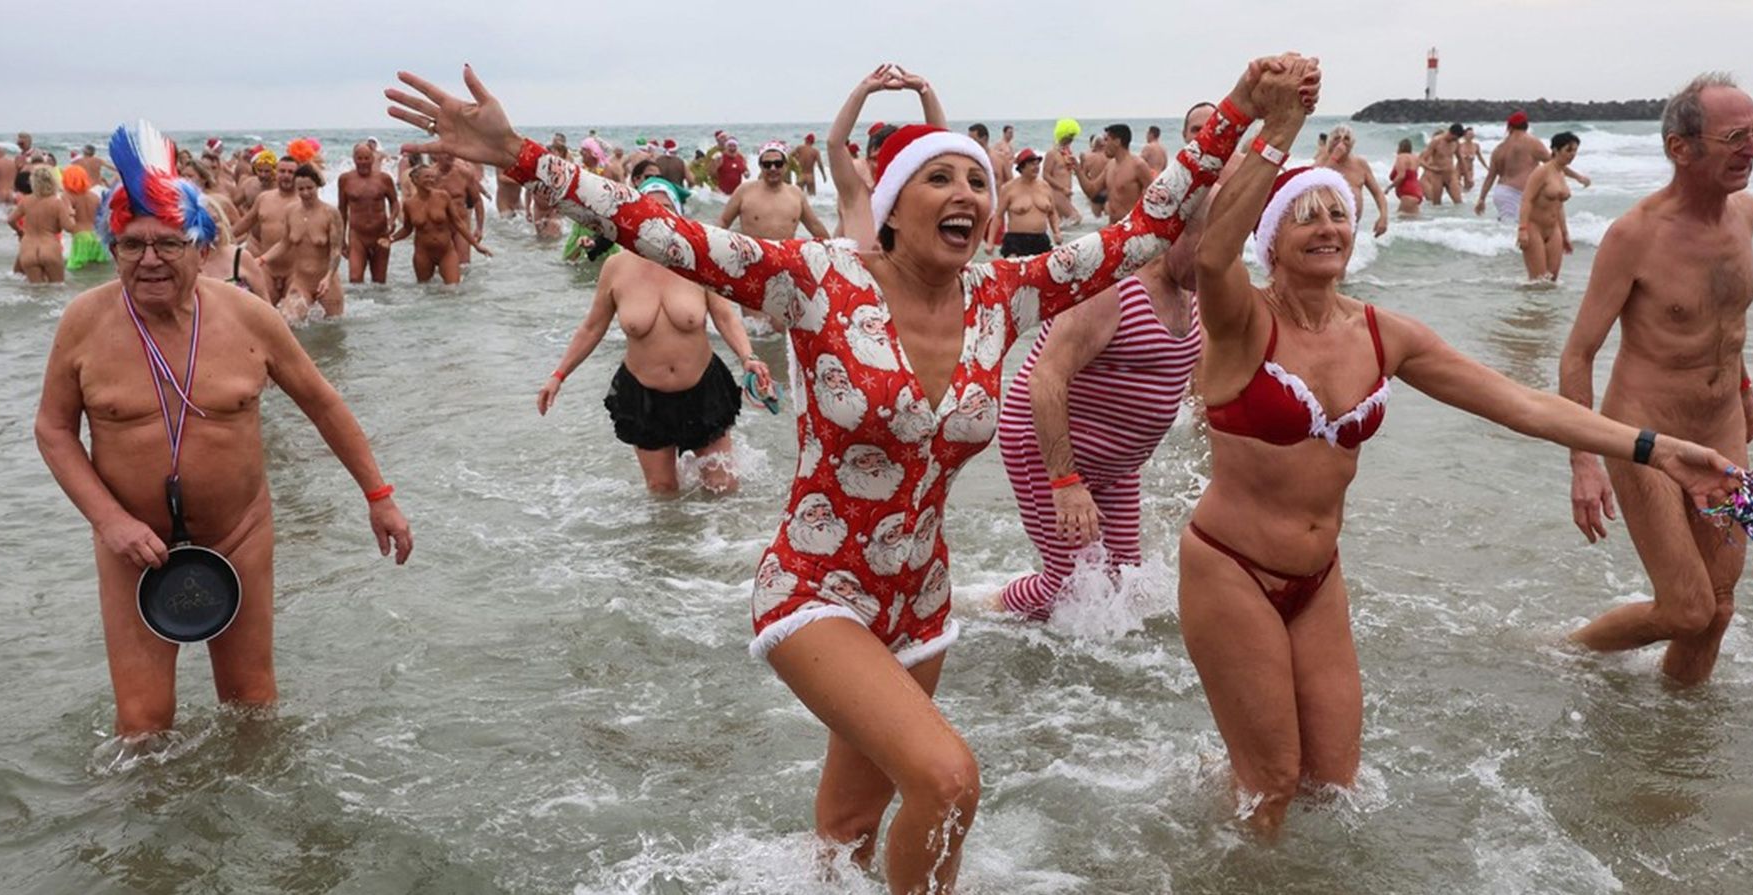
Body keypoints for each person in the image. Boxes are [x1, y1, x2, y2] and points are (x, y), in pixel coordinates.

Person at [386, 55, 1309, 894]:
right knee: (949, 780)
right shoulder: (819, 280)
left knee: (846, 834)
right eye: (939, 178)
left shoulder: (1004, 294)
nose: (966, 193)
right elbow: (664, 233)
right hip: (815, 588)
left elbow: (1150, 229)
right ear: (891, 205)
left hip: (922, 601)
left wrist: (1243, 108)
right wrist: (518, 155)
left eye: (976, 182)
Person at [1181, 98, 1744, 838]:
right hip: (1231, 568)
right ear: (1272, 242)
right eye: (1305, 217)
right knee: (1274, 785)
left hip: (1317, 579)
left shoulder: (1384, 334)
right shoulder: (1241, 323)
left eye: (1339, 214)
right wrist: (1280, 131)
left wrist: (1654, 447)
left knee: (1334, 784)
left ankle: (1219, 803)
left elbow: (1520, 403)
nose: (1327, 228)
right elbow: (1210, 257)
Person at [33, 122, 411, 742]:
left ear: (200, 243)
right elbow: (53, 429)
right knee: (142, 725)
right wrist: (110, 521)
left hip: (239, 533)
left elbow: (323, 403)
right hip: (133, 545)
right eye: (131, 244)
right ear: (113, 246)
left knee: (251, 706)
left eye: (168, 243)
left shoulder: (248, 317)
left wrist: (379, 496)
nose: (149, 259)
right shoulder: (83, 322)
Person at [1561, 74, 1753, 687]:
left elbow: (1725, 319)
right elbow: (1578, 355)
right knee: (1685, 608)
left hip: (1722, 429)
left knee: (1718, 608)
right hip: (1645, 433)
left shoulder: (1747, 214)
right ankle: (1566, 653)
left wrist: (1745, 390)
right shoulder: (1636, 235)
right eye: (1735, 137)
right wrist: (1584, 461)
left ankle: (1677, 725)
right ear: (1681, 147)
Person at [995, 114, 1209, 620]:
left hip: (1116, 465)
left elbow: (1200, 375)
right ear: (1171, 231)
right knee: (1066, 586)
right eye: (1206, 247)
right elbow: (1046, 377)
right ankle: (987, 611)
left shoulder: (1195, 290)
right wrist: (1066, 484)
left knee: (1123, 581)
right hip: (1048, 449)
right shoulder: (1111, 285)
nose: (1216, 263)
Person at [538, 178, 773, 494]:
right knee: (663, 492)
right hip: (644, 397)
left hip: (703, 390)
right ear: (636, 213)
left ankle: (718, 531)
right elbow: (592, 328)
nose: (657, 216)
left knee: (723, 487)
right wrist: (558, 375)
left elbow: (725, 317)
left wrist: (748, 357)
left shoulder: (698, 260)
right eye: (648, 208)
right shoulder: (616, 267)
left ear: (677, 213)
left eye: (665, 209)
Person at [826, 64, 947, 244]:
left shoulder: (914, 200)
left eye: (891, 158)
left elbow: (942, 146)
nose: (883, 164)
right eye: (876, 159)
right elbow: (835, 144)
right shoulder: (857, 197)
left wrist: (925, 91)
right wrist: (864, 89)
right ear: (867, 161)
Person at [255, 164, 344, 322]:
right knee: (288, 321)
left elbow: (336, 251)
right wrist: (262, 259)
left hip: (327, 282)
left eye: (310, 188)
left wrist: (329, 277)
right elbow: (284, 244)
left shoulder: (330, 213)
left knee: (333, 329)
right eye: (301, 189)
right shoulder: (291, 211)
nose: (305, 193)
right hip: (301, 283)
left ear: (317, 186)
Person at [385, 163, 491, 284]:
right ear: (415, 180)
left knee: (453, 289)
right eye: (426, 177)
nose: (430, 180)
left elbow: (458, 223)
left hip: (446, 252)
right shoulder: (409, 204)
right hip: (423, 254)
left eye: (432, 177)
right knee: (424, 289)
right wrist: (391, 239)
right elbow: (407, 229)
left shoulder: (443, 197)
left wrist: (476, 245)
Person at [1476, 110, 1589, 221]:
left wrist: (1482, 198)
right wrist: (1578, 177)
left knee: (1518, 227)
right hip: (1516, 194)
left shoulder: (1499, 149)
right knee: (1517, 228)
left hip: (1501, 193)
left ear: (1509, 128)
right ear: (1526, 126)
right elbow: (1554, 164)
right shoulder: (1531, 142)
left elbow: (1490, 177)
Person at [718, 141, 831, 242]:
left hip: (785, 256)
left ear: (785, 166)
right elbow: (724, 221)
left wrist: (833, 248)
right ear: (761, 166)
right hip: (754, 256)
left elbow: (814, 225)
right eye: (767, 164)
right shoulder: (744, 191)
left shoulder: (796, 194)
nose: (773, 168)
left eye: (778, 164)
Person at [231, 154, 300, 300]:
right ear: (276, 173)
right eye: (282, 171)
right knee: (264, 308)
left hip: (295, 269)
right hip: (267, 267)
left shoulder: (304, 201)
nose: (286, 175)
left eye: (291, 172)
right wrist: (219, 238)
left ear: (298, 175)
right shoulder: (264, 198)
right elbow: (245, 223)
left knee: (291, 312)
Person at [1518, 132, 1580, 281]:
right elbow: (1527, 200)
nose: (1572, 155)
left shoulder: (1561, 173)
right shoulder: (1542, 172)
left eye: (1575, 151)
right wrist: (1522, 229)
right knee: (1538, 281)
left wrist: (1565, 234)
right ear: (1555, 150)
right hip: (1534, 228)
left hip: (1553, 230)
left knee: (1552, 280)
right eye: (1568, 150)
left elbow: (1559, 206)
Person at [338, 141, 401, 284]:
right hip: (357, 236)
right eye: (359, 158)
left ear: (373, 158)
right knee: (355, 279)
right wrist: (341, 240)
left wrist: (391, 220)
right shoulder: (345, 180)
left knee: (379, 282)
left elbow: (395, 203)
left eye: (366, 158)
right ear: (354, 159)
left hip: (381, 235)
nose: (363, 162)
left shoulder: (384, 179)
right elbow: (342, 210)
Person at [1316, 124, 1389, 237]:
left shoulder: (1360, 164)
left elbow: (1378, 193)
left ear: (1352, 143)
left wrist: (1383, 216)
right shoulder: (1322, 161)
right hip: (1327, 227)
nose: (1341, 142)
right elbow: (1316, 182)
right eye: (1337, 138)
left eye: (1346, 138)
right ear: (1330, 142)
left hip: (1352, 225)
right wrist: (1335, 157)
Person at [986, 149, 1061, 256]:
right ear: (1022, 167)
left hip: (1041, 239)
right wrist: (990, 242)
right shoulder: (1009, 188)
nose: (1036, 167)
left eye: (1037, 164)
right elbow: (998, 216)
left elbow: (1052, 213)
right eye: (1032, 164)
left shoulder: (1045, 187)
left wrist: (1057, 232)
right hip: (1016, 240)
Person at [8, 165, 74, 283]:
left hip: (28, 249)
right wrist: (71, 213)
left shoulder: (26, 201)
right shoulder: (57, 202)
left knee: (36, 290)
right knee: (57, 287)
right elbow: (69, 227)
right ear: (53, 182)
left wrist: (20, 231)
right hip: (49, 247)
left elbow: (10, 220)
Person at [428, 152, 486, 262]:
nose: (450, 156)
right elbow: (418, 202)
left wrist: (479, 228)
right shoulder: (429, 176)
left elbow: (477, 200)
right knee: (440, 263)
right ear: (436, 155)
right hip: (439, 226)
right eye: (446, 153)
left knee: (464, 264)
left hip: (461, 225)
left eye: (452, 153)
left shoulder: (464, 173)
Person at [1098, 124, 1155, 222]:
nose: (1104, 144)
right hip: (1114, 225)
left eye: (1106, 140)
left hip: (1131, 224)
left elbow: (1153, 198)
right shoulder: (1110, 165)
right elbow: (1092, 190)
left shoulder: (1141, 159)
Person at [60, 165, 110, 271]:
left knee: (75, 271)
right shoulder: (94, 196)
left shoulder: (67, 196)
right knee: (99, 270)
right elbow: (103, 216)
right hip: (97, 236)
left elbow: (68, 216)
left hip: (81, 236)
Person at [1045, 120, 1083, 226]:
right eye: (1070, 136)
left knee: (1060, 223)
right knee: (1076, 218)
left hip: (1066, 193)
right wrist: (1062, 188)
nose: (1072, 139)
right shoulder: (1052, 153)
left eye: (1073, 136)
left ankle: (1058, 236)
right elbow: (1045, 175)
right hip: (1057, 193)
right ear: (1062, 135)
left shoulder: (1068, 154)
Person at [1419, 124, 1463, 204]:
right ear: (1451, 133)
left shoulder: (1456, 142)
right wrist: (1432, 168)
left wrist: (1466, 176)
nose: (1454, 140)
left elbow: (1460, 158)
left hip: (1451, 175)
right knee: (1436, 204)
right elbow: (1421, 160)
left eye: (1456, 139)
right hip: (1437, 176)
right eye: (1454, 138)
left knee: (1459, 202)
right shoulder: (1436, 141)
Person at [1386, 138, 1423, 215]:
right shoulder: (1415, 158)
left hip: (1408, 193)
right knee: (1413, 219)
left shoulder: (1401, 157)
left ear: (1400, 147)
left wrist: (1389, 187)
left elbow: (1401, 176)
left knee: (1402, 218)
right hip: (1416, 191)